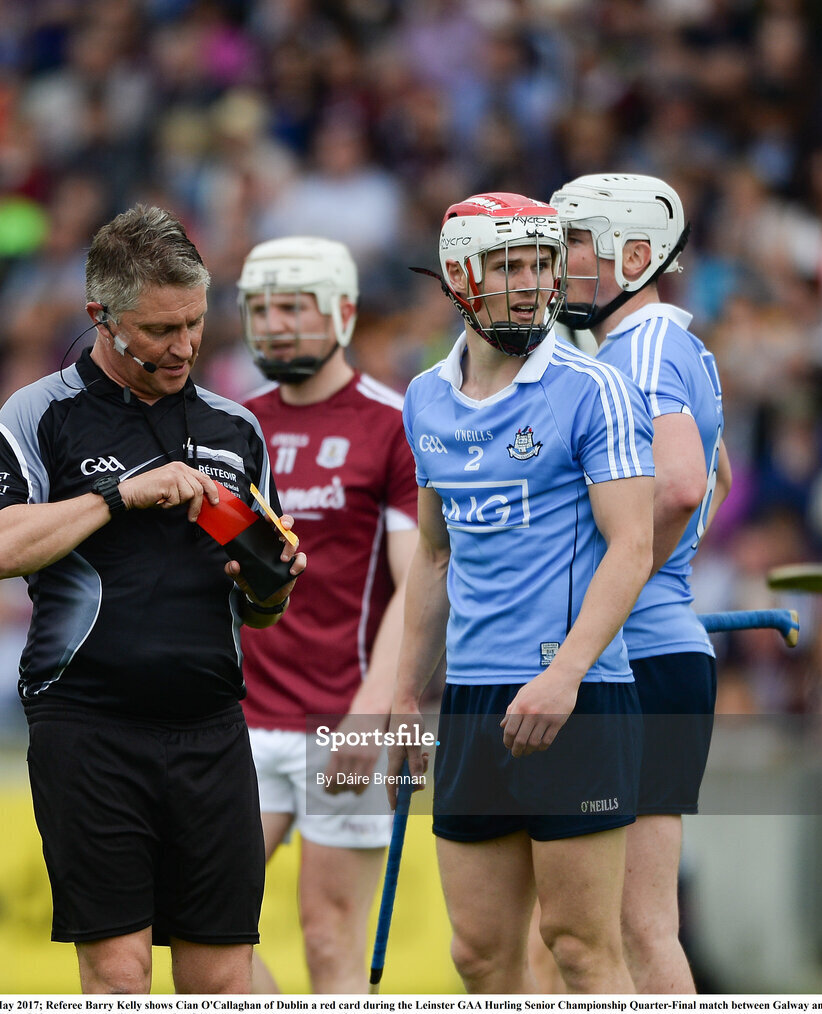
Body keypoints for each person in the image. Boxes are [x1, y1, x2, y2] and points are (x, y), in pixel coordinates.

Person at [0, 204, 305, 995]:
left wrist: (267, 581)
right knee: (118, 977)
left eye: (194, 322)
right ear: (101, 318)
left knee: (222, 980)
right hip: (88, 729)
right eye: (159, 330)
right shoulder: (38, 414)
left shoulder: (237, 427)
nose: (184, 345)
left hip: (214, 729)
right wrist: (122, 495)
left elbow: (265, 609)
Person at [388, 192, 656, 994]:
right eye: (509, 265)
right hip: (471, 701)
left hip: (574, 697)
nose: (532, 282)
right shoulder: (423, 400)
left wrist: (565, 672)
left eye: (541, 263)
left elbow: (631, 545)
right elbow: (434, 558)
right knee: (478, 956)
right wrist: (406, 695)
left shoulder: (591, 388)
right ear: (460, 277)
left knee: (579, 947)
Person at [550, 173, 731, 993]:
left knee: (618, 931)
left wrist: (606, 601)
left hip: (636, 657)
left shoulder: (644, 346)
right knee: (623, 930)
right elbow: (718, 479)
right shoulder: (655, 347)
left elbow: (684, 485)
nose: (559, 265)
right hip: (661, 647)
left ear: (635, 253)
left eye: (575, 244)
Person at [235, 236, 418, 993]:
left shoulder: (395, 422)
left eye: (293, 306)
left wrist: (371, 714)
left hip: (348, 718)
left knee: (329, 936)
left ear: (342, 312)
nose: (273, 324)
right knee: (189, 919)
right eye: (258, 308)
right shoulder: (229, 427)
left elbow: (421, 585)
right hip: (240, 720)